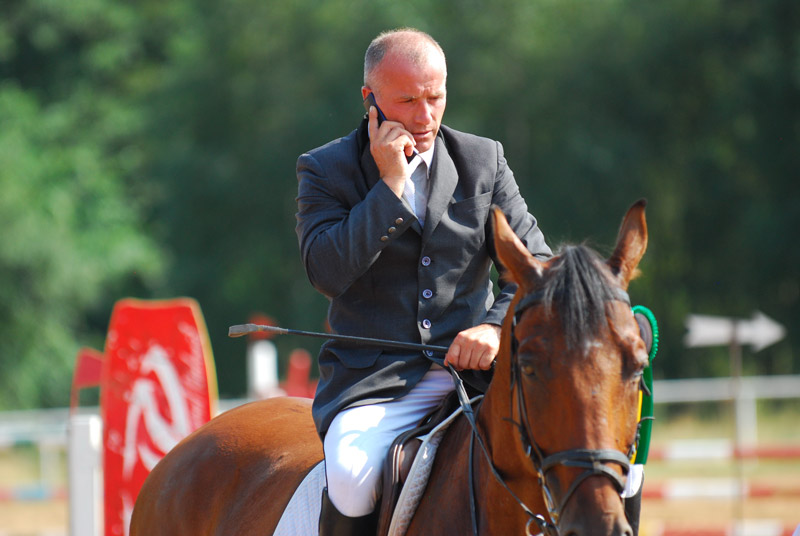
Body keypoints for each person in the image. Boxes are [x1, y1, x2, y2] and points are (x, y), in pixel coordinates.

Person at [295, 28, 552, 535]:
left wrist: (495, 327)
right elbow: (326, 273)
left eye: (435, 97)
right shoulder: (325, 168)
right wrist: (390, 187)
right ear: (370, 99)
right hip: (376, 382)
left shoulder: (483, 159)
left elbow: (536, 262)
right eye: (408, 101)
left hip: (479, 374)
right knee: (350, 476)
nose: (425, 116)